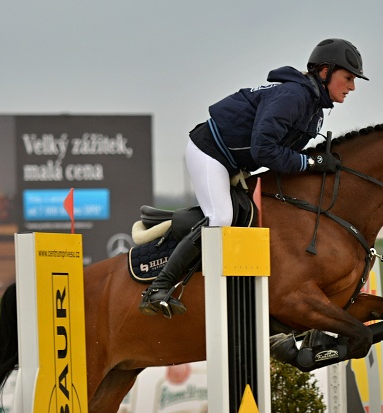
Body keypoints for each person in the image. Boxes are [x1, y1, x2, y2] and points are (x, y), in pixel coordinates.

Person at [140, 38, 367, 317]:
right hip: (210, 152)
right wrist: (311, 162)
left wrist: (315, 162)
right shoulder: (294, 97)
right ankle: (158, 289)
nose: (352, 87)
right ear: (324, 72)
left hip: (237, 164)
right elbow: (265, 150)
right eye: (348, 78)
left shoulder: (315, 109)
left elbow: (283, 154)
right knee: (221, 217)